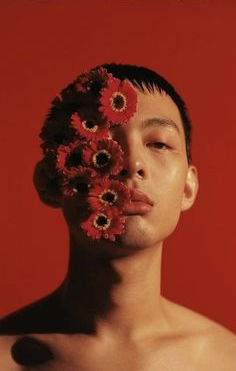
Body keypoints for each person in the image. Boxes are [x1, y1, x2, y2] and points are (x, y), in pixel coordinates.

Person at [0, 63, 236, 370]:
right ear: (51, 181)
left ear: (188, 188)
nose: (133, 162)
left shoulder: (225, 359)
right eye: (103, 144)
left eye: (159, 143)